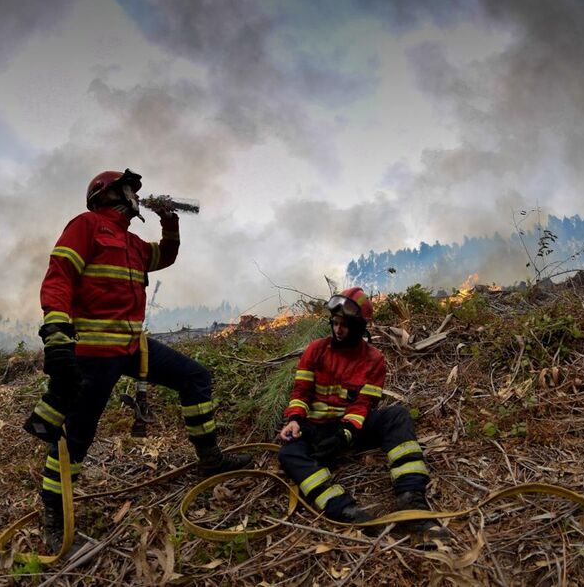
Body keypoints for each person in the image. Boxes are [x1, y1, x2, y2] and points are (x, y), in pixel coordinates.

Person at [23, 169, 251, 550]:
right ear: (109, 194)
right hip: (93, 355)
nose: (136, 195)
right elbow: (59, 277)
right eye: (131, 189)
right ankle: (53, 513)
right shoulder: (86, 226)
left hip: (132, 348)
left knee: (195, 377)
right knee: (76, 437)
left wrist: (170, 221)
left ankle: (210, 458)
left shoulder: (131, 243)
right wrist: (57, 336)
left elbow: (166, 256)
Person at [278, 287, 444, 538]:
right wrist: (294, 421)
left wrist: (344, 435)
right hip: (315, 429)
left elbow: (363, 405)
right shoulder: (315, 350)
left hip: (350, 429)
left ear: (360, 326)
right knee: (289, 453)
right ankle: (345, 510)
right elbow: (301, 392)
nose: (338, 329)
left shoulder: (373, 359)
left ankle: (411, 498)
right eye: (334, 323)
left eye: (345, 324)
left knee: (397, 415)